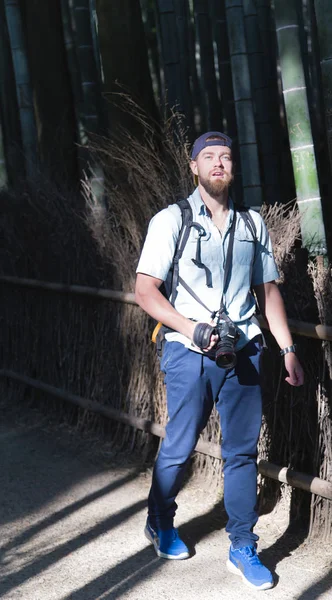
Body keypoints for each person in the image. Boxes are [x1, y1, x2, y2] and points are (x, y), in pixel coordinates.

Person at [135, 131, 304, 591]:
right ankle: (160, 519)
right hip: (188, 348)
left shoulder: (253, 225)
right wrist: (191, 329)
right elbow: (145, 289)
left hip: (245, 345)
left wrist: (287, 348)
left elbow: (268, 292)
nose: (218, 163)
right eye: (208, 156)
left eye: (226, 157)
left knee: (242, 451)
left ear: (233, 168)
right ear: (193, 167)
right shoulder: (171, 220)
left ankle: (242, 546)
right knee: (180, 442)